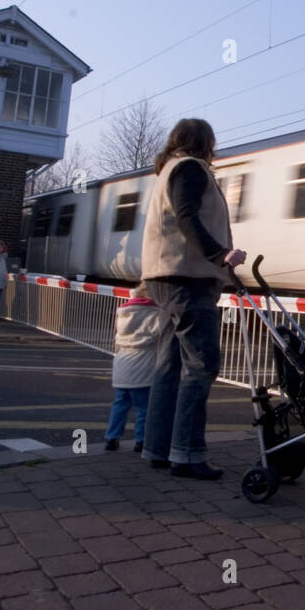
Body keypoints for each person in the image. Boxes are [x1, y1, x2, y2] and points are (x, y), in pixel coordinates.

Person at [140, 118, 246, 480]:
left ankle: (158, 448)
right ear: (205, 141)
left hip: (166, 277)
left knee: (169, 365)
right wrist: (220, 255)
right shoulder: (190, 169)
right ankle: (185, 454)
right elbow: (187, 217)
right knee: (202, 365)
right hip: (187, 279)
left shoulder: (168, 169)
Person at [106, 285, 165, 452]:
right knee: (143, 408)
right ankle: (141, 440)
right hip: (143, 366)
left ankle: (112, 438)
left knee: (120, 404)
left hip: (122, 364)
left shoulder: (124, 313)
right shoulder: (153, 313)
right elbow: (160, 332)